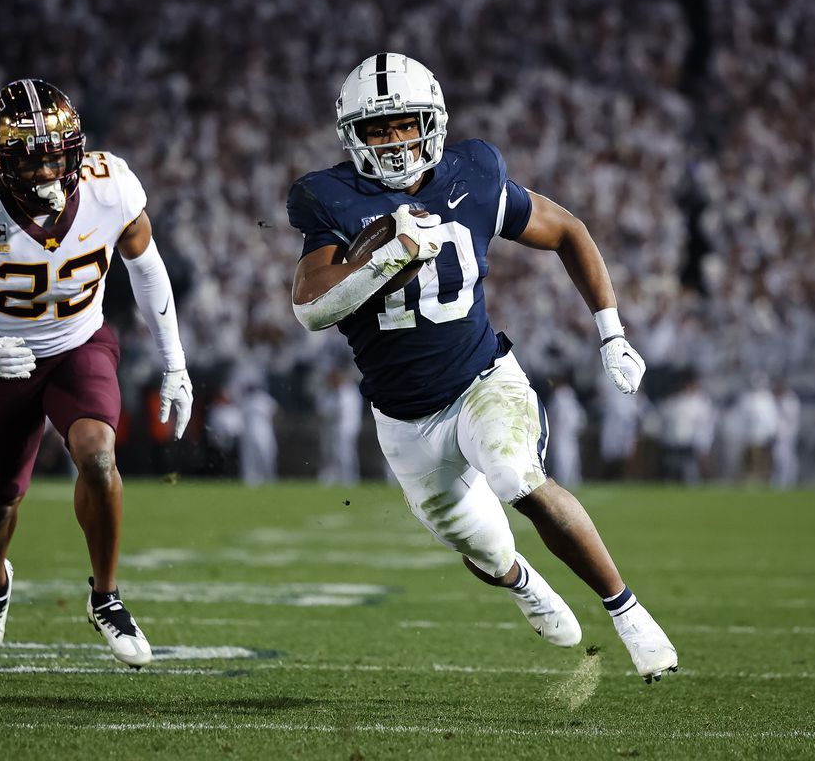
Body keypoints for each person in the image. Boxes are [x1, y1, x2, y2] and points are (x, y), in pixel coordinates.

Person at [288, 53, 677, 682]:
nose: (395, 141)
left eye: (406, 123)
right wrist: (385, 257)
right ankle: (524, 582)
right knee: (486, 547)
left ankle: (628, 613)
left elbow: (569, 232)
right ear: (351, 137)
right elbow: (310, 307)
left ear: (433, 122)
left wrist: (611, 332)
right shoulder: (330, 197)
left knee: (515, 474)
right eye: (378, 130)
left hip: (482, 381)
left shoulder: (472, 173)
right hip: (404, 418)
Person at [0, 79, 193, 668]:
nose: (46, 171)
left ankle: (106, 596)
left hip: (80, 345)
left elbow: (147, 269)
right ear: (0, 161)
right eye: (30, 159)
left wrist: (176, 362)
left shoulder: (109, 186)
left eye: (56, 155)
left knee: (97, 453)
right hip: (5, 358)